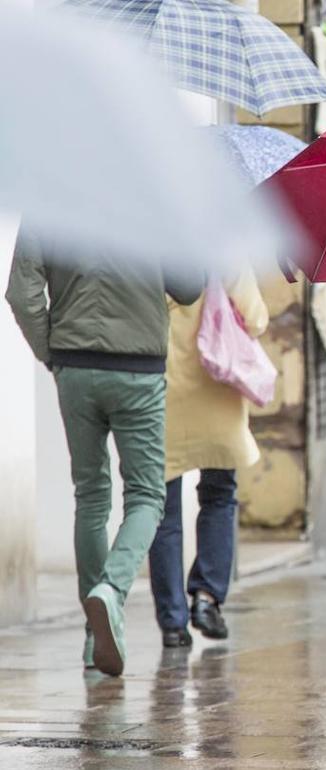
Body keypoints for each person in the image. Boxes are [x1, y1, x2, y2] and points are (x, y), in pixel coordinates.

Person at [6, 229, 201, 677]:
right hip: (138, 368)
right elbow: (190, 287)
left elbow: (21, 292)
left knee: (91, 494)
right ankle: (111, 591)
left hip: (75, 366)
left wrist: (51, 352)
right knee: (148, 496)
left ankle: (96, 639)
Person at [148, 267, 269, 649]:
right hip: (214, 383)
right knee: (218, 496)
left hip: (160, 386)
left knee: (161, 511)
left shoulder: (141, 243)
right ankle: (207, 598)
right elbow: (255, 318)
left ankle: (172, 622)